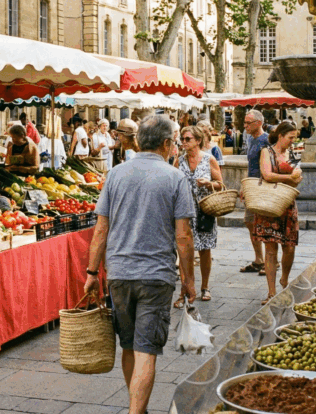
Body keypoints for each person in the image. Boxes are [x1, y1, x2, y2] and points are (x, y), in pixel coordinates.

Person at [83, 115, 196, 414]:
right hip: (156, 277)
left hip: (119, 274)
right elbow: (184, 236)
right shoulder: (175, 178)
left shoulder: (116, 174)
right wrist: (189, 280)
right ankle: (136, 412)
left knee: (129, 345)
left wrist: (92, 272)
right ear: (167, 143)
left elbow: (101, 229)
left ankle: (137, 408)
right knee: (147, 350)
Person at [173, 125, 224, 305]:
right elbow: (173, 185)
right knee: (184, 250)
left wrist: (208, 183)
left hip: (204, 209)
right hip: (184, 210)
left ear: (198, 141)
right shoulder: (179, 161)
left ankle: (205, 286)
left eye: (187, 139)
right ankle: (185, 287)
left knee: (204, 249)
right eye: (182, 139)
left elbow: (220, 184)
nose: (183, 142)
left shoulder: (209, 160)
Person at [254, 122, 302, 304]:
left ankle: (284, 278)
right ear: (281, 135)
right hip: (269, 204)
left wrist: (296, 178)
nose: (292, 141)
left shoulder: (292, 154)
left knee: (289, 247)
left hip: (287, 203)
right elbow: (267, 175)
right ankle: (271, 292)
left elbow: (296, 180)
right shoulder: (267, 152)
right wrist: (289, 177)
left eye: (294, 137)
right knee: (271, 249)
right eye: (290, 137)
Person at [239, 110, 269, 275]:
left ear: (258, 123)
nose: (245, 126)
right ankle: (259, 259)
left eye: (248, 123)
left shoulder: (267, 140)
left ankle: (271, 260)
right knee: (250, 222)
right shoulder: (251, 139)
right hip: (252, 187)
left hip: (262, 188)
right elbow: (251, 166)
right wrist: (245, 186)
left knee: (262, 223)